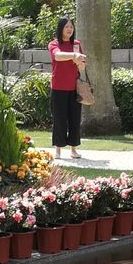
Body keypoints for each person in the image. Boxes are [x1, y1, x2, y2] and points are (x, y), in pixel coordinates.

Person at [48, 17, 85, 160]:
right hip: (58, 88)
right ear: (60, 29)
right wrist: (73, 56)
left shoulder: (76, 44)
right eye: (66, 27)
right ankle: (57, 150)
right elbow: (57, 56)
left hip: (75, 88)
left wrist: (81, 63)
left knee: (75, 119)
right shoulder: (54, 44)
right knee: (59, 119)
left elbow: (81, 65)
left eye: (71, 27)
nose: (70, 29)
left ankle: (73, 150)